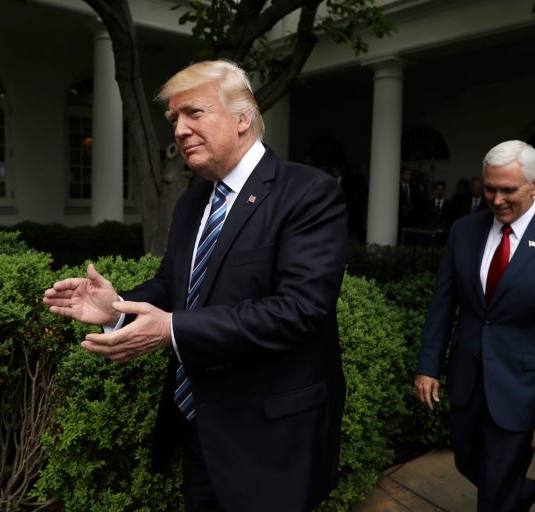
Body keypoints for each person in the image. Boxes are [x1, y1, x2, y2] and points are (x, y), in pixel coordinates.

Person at [43, 60, 348, 512]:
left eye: (194, 113)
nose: (180, 130)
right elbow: (174, 285)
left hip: (273, 438)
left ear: (243, 118)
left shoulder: (308, 193)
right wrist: (118, 308)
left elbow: (299, 311)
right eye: (173, 120)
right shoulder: (193, 201)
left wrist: (172, 330)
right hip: (200, 426)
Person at [414, 140, 535, 512]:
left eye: (508, 190)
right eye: (489, 188)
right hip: (468, 381)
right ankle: (522, 491)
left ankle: (510, 493)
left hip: (522, 389)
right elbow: (443, 305)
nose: (497, 199)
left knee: (495, 493)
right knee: (468, 462)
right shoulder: (464, 231)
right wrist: (428, 367)